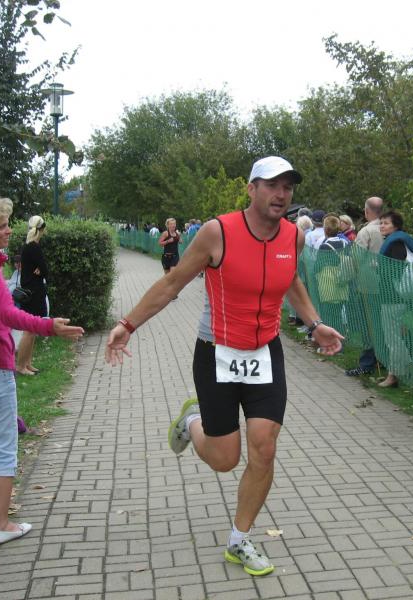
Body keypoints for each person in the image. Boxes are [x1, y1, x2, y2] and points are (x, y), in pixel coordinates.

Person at [104, 156, 343, 577]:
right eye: (272, 185)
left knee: (264, 447)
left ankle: (239, 539)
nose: (281, 194)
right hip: (217, 352)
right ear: (251, 189)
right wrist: (128, 324)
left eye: (288, 187)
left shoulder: (294, 236)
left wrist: (315, 324)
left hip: (265, 353)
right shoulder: (219, 232)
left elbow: (290, 281)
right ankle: (192, 421)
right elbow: (173, 282)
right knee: (224, 459)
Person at [0, 195, 82, 545]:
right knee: (4, 447)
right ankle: (1, 525)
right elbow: (8, 314)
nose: (9, 231)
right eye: (2, 226)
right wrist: (48, 325)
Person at [377, 211, 413, 388]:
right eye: (381, 223)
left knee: (392, 338)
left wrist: (378, 268)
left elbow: (396, 269)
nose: (382, 226)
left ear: (395, 226)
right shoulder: (402, 240)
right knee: (396, 335)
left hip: (392, 297)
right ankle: (406, 365)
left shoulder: (395, 243)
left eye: (386, 223)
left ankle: (394, 374)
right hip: (399, 296)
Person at [345, 196, 385, 377]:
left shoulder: (366, 231)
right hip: (386, 284)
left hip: (368, 285)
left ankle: (367, 362)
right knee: (382, 324)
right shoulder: (388, 228)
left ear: (367, 211)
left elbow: (357, 258)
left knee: (368, 325)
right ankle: (382, 358)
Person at [16, 216, 49, 376]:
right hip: (33, 293)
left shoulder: (29, 246)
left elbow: (40, 268)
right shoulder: (33, 247)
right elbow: (45, 269)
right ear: (42, 229)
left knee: (32, 330)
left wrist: (39, 270)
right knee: (29, 331)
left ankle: (27, 363)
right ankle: (21, 366)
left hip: (32, 291)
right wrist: (40, 270)